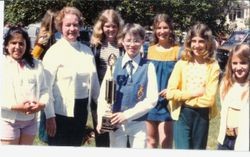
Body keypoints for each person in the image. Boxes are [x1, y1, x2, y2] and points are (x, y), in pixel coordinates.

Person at [42, 6, 100, 146]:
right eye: (68, 25)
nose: (72, 29)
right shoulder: (54, 52)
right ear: (60, 27)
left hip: (81, 112)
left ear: (80, 26)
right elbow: (45, 88)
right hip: (59, 113)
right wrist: (50, 116)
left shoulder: (87, 51)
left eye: (75, 25)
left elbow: (95, 86)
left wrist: (104, 110)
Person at [96, 23, 158, 148]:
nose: (132, 44)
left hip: (138, 123)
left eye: (136, 41)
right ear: (122, 41)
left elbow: (152, 99)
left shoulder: (148, 66)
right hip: (116, 123)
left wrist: (127, 115)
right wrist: (101, 118)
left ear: (142, 41)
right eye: (128, 40)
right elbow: (104, 95)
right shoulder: (114, 65)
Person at [166, 23, 220, 149]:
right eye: (193, 41)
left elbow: (209, 99)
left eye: (201, 41)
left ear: (208, 43)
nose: (197, 45)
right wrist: (193, 93)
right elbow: (170, 93)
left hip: (201, 116)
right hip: (182, 115)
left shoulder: (213, 66)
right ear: (189, 43)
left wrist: (181, 96)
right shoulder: (181, 64)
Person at [0, 26, 49, 145]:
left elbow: (44, 90)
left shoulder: (36, 64)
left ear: (26, 45)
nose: (17, 47)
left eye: (21, 43)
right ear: (6, 45)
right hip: (7, 120)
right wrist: (15, 107)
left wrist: (41, 104)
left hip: (30, 121)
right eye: (13, 43)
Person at [145, 14, 182, 149]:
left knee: (166, 144)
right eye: (158, 28)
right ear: (154, 30)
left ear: (171, 29)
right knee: (151, 142)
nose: (162, 31)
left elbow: (183, 77)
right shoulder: (148, 50)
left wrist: (173, 91)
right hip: (151, 102)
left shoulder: (178, 51)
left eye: (165, 27)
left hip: (168, 104)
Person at [89, 9, 124, 147]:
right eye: (107, 26)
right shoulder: (95, 45)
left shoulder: (123, 45)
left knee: (118, 133)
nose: (110, 29)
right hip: (99, 95)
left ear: (118, 27)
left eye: (114, 26)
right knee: (102, 132)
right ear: (101, 27)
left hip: (119, 94)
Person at [31, 9, 58, 144]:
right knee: (47, 102)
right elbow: (34, 55)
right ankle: (45, 133)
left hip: (50, 71)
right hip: (45, 71)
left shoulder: (51, 34)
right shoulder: (46, 35)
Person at [217, 44, 249, 151]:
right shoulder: (226, 84)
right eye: (235, 63)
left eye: (243, 63)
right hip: (224, 140)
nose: (238, 67)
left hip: (244, 141)